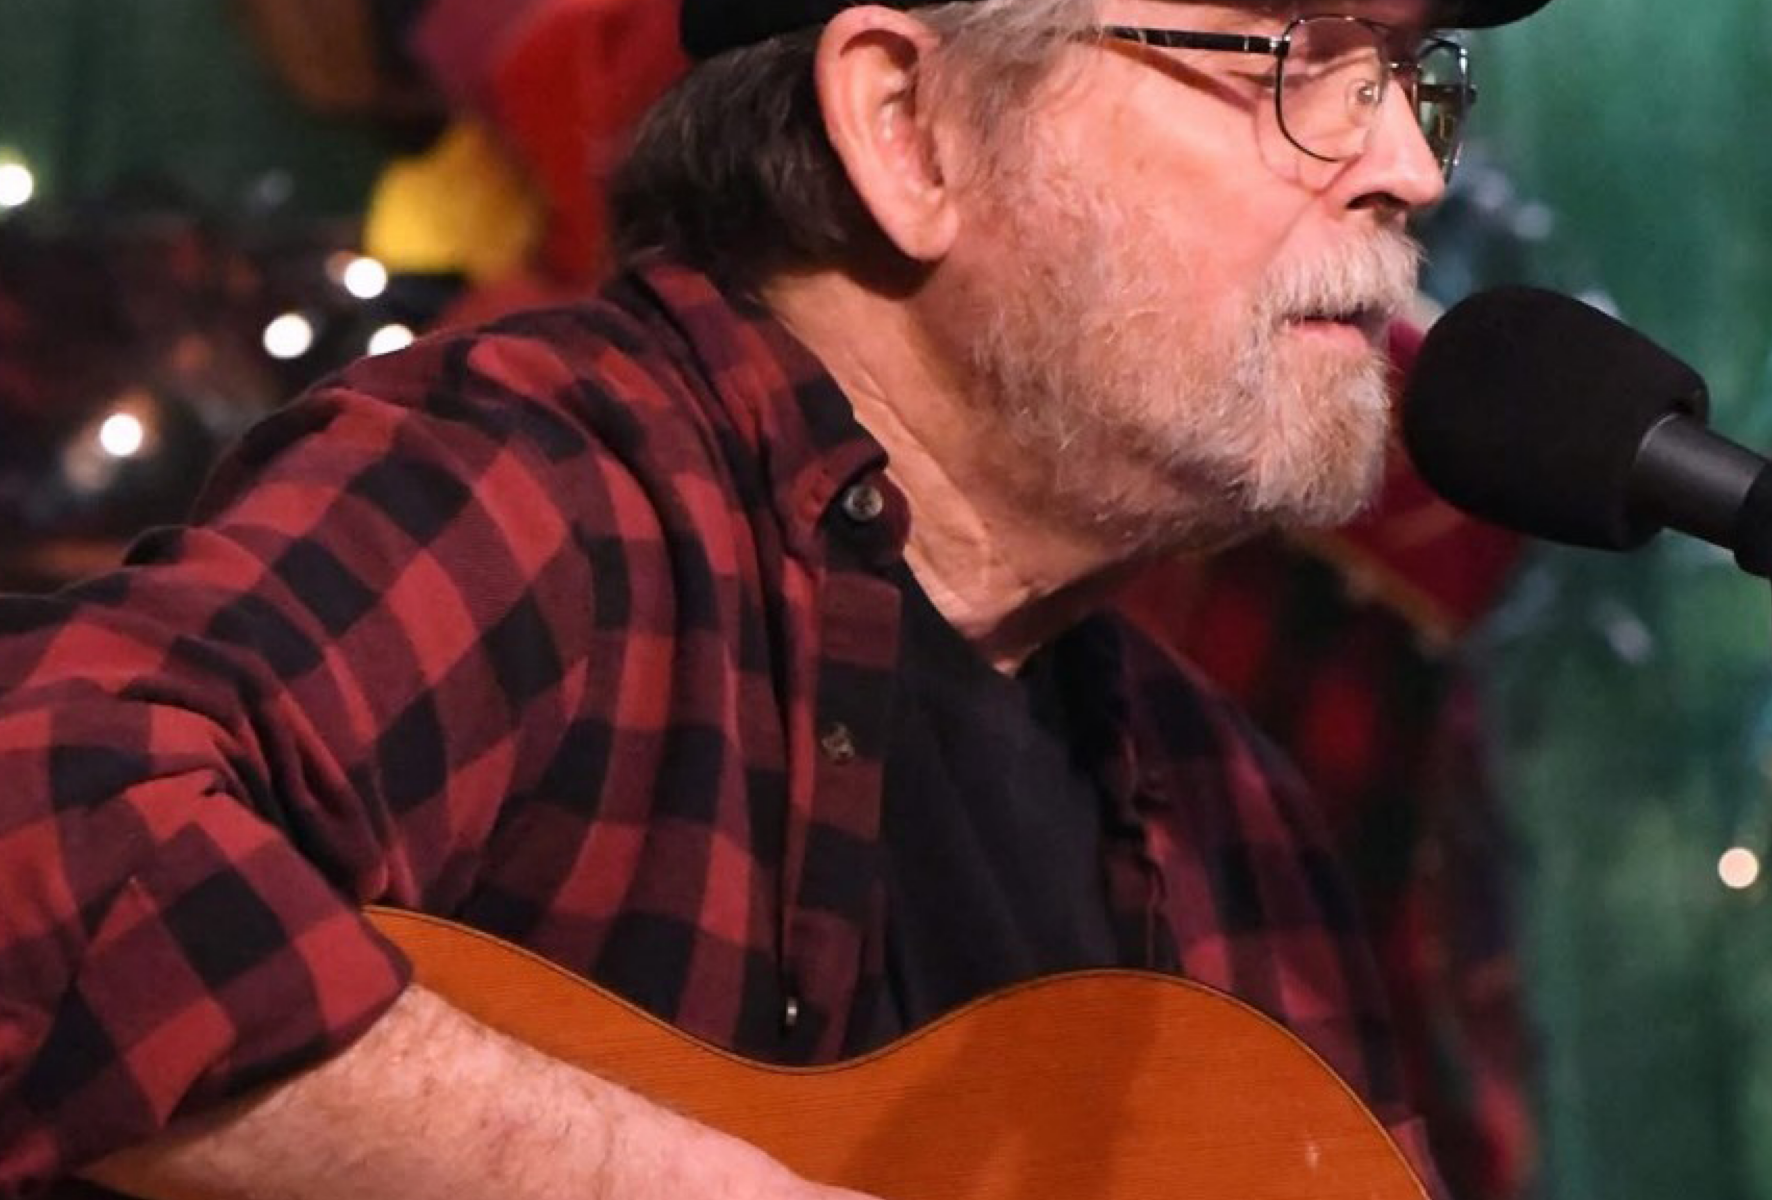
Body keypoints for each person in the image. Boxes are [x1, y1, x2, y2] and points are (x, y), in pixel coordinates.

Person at [0, 0, 1555, 1195]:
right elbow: (43, 832)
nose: (1409, 168)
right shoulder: (562, 496)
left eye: (1404, 76)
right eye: (1292, 57)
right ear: (907, 127)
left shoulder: (1235, 822)